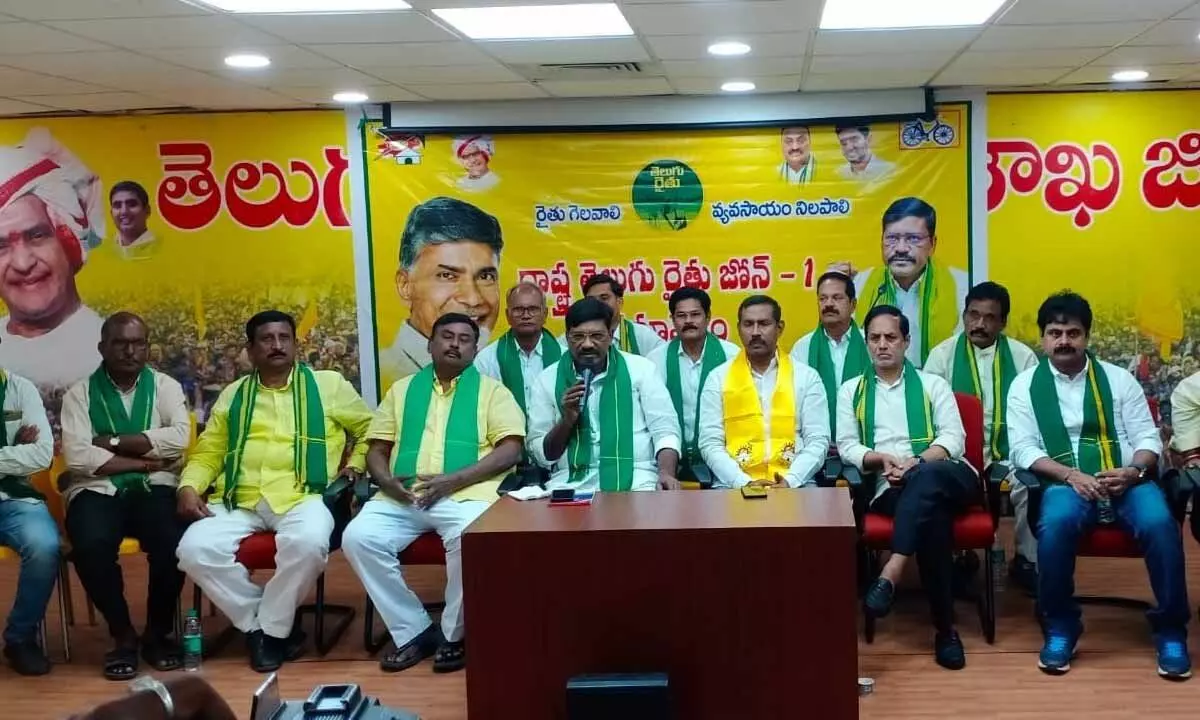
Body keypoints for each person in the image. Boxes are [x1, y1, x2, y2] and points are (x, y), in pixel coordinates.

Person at [175, 310, 373, 673]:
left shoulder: (328, 385)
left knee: (310, 541)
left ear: (296, 344)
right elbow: (210, 451)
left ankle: (267, 629)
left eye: (285, 338)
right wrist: (189, 486)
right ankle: (268, 627)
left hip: (304, 496)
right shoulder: (234, 395)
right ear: (250, 350)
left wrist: (357, 463)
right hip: (239, 497)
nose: (277, 345)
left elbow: (370, 431)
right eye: (267, 339)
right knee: (192, 550)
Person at [1006, 292, 1191, 680]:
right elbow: (1022, 449)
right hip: (1065, 482)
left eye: (1073, 332)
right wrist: (1071, 475)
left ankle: (1171, 629)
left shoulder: (1117, 379)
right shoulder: (1024, 386)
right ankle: (1061, 626)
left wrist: (1134, 472)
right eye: (1054, 333)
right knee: (1054, 526)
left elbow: (1147, 437)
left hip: (1126, 481)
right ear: (1042, 338)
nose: (1064, 341)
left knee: (1160, 524)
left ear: (1087, 337)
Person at [343, 313, 524, 675]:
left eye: (465, 339)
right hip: (403, 497)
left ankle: (453, 635)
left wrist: (452, 481)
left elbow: (511, 450)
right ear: (430, 344)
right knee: (358, 537)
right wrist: (386, 481)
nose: (455, 344)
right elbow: (376, 448)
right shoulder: (402, 390)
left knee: (468, 538)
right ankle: (414, 630)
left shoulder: (492, 391)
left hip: (464, 495)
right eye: (447, 336)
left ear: (475, 350)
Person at [838, 305, 975, 670]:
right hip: (890, 487)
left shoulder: (933, 384)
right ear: (866, 343)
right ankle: (946, 631)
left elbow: (954, 438)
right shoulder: (851, 391)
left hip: (949, 474)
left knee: (926, 479)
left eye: (891, 337)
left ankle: (892, 569)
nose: (883, 345)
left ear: (906, 342)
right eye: (875, 338)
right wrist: (881, 459)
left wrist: (916, 462)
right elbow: (848, 445)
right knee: (933, 520)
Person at [60, 312, 191, 681]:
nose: (130, 351)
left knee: (172, 541)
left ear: (147, 347)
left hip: (156, 488)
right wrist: (147, 461)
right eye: (120, 343)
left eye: (138, 343)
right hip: (96, 489)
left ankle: (157, 633)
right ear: (102, 347)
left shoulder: (166, 387)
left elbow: (179, 441)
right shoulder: (78, 395)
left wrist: (113, 444)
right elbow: (79, 457)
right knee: (90, 544)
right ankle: (122, 635)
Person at [923, 281, 1039, 590]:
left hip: (1010, 450)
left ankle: (1028, 560)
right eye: (973, 315)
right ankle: (958, 556)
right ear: (963, 315)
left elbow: (1033, 412)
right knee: (941, 481)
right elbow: (930, 415)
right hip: (958, 450)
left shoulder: (1023, 357)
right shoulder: (943, 356)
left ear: (1003, 322)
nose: (980, 324)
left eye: (989, 318)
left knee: (1030, 484)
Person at [528, 298, 680, 493]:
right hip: (571, 482)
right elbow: (543, 455)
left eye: (597, 336)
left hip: (637, 480)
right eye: (578, 337)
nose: (587, 344)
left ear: (610, 336)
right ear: (567, 337)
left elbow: (665, 431)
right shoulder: (546, 380)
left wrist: (666, 473)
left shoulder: (641, 370)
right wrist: (566, 421)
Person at [0, 128, 105, 392]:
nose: (23, 264)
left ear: (68, 240)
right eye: (0, 247)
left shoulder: (105, 350)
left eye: (36, 236)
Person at [697, 295, 829, 488]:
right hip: (733, 485)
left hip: (796, 483)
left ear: (780, 328)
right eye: (748, 324)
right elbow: (710, 443)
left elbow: (818, 440)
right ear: (739, 329)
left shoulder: (806, 377)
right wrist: (743, 482)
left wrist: (790, 480)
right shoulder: (717, 378)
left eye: (764, 324)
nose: (755, 332)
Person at [830, 197, 968, 367]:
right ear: (881, 241)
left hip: (936, 387)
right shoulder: (859, 286)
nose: (901, 248)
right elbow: (837, 342)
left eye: (913, 239)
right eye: (892, 238)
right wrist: (835, 290)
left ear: (933, 244)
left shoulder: (961, 287)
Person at [379, 197, 502, 384]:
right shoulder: (386, 375)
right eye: (447, 275)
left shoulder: (499, 373)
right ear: (405, 285)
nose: (472, 299)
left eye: (485, 276)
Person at [647, 288, 739, 486]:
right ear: (672, 319)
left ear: (708, 317)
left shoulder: (733, 356)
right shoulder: (656, 360)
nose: (688, 321)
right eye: (681, 316)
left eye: (695, 314)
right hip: (669, 462)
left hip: (724, 460)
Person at [0, 361, 55, 675]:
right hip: (13, 479)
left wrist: (21, 455)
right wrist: (12, 452)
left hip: (15, 498)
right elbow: (25, 457)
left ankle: (20, 638)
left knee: (44, 547)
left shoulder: (21, 390)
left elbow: (42, 455)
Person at [790, 271, 870, 432]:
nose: (828, 304)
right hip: (816, 442)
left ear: (853, 304)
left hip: (866, 444)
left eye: (837, 298)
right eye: (823, 298)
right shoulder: (803, 347)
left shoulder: (870, 343)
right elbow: (794, 400)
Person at [474, 282, 561, 417]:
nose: (526, 315)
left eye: (533, 309)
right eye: (518, 309)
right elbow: (480, 409)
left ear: (545, 314)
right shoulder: (487, 359)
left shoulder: (564, 355)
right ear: (508, 315)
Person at [570, 273, 664, 356]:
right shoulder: (573, 337)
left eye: (604, 298)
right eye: (591, 300)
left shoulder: (642, 335)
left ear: (619, 302)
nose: (597, 304)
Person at [109, 180, 157, 260]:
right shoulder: (104, 250)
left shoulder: (162, 247)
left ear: (147, 211)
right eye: (117, 205)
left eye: (132, 204)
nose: (124, 211)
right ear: (111, 213)